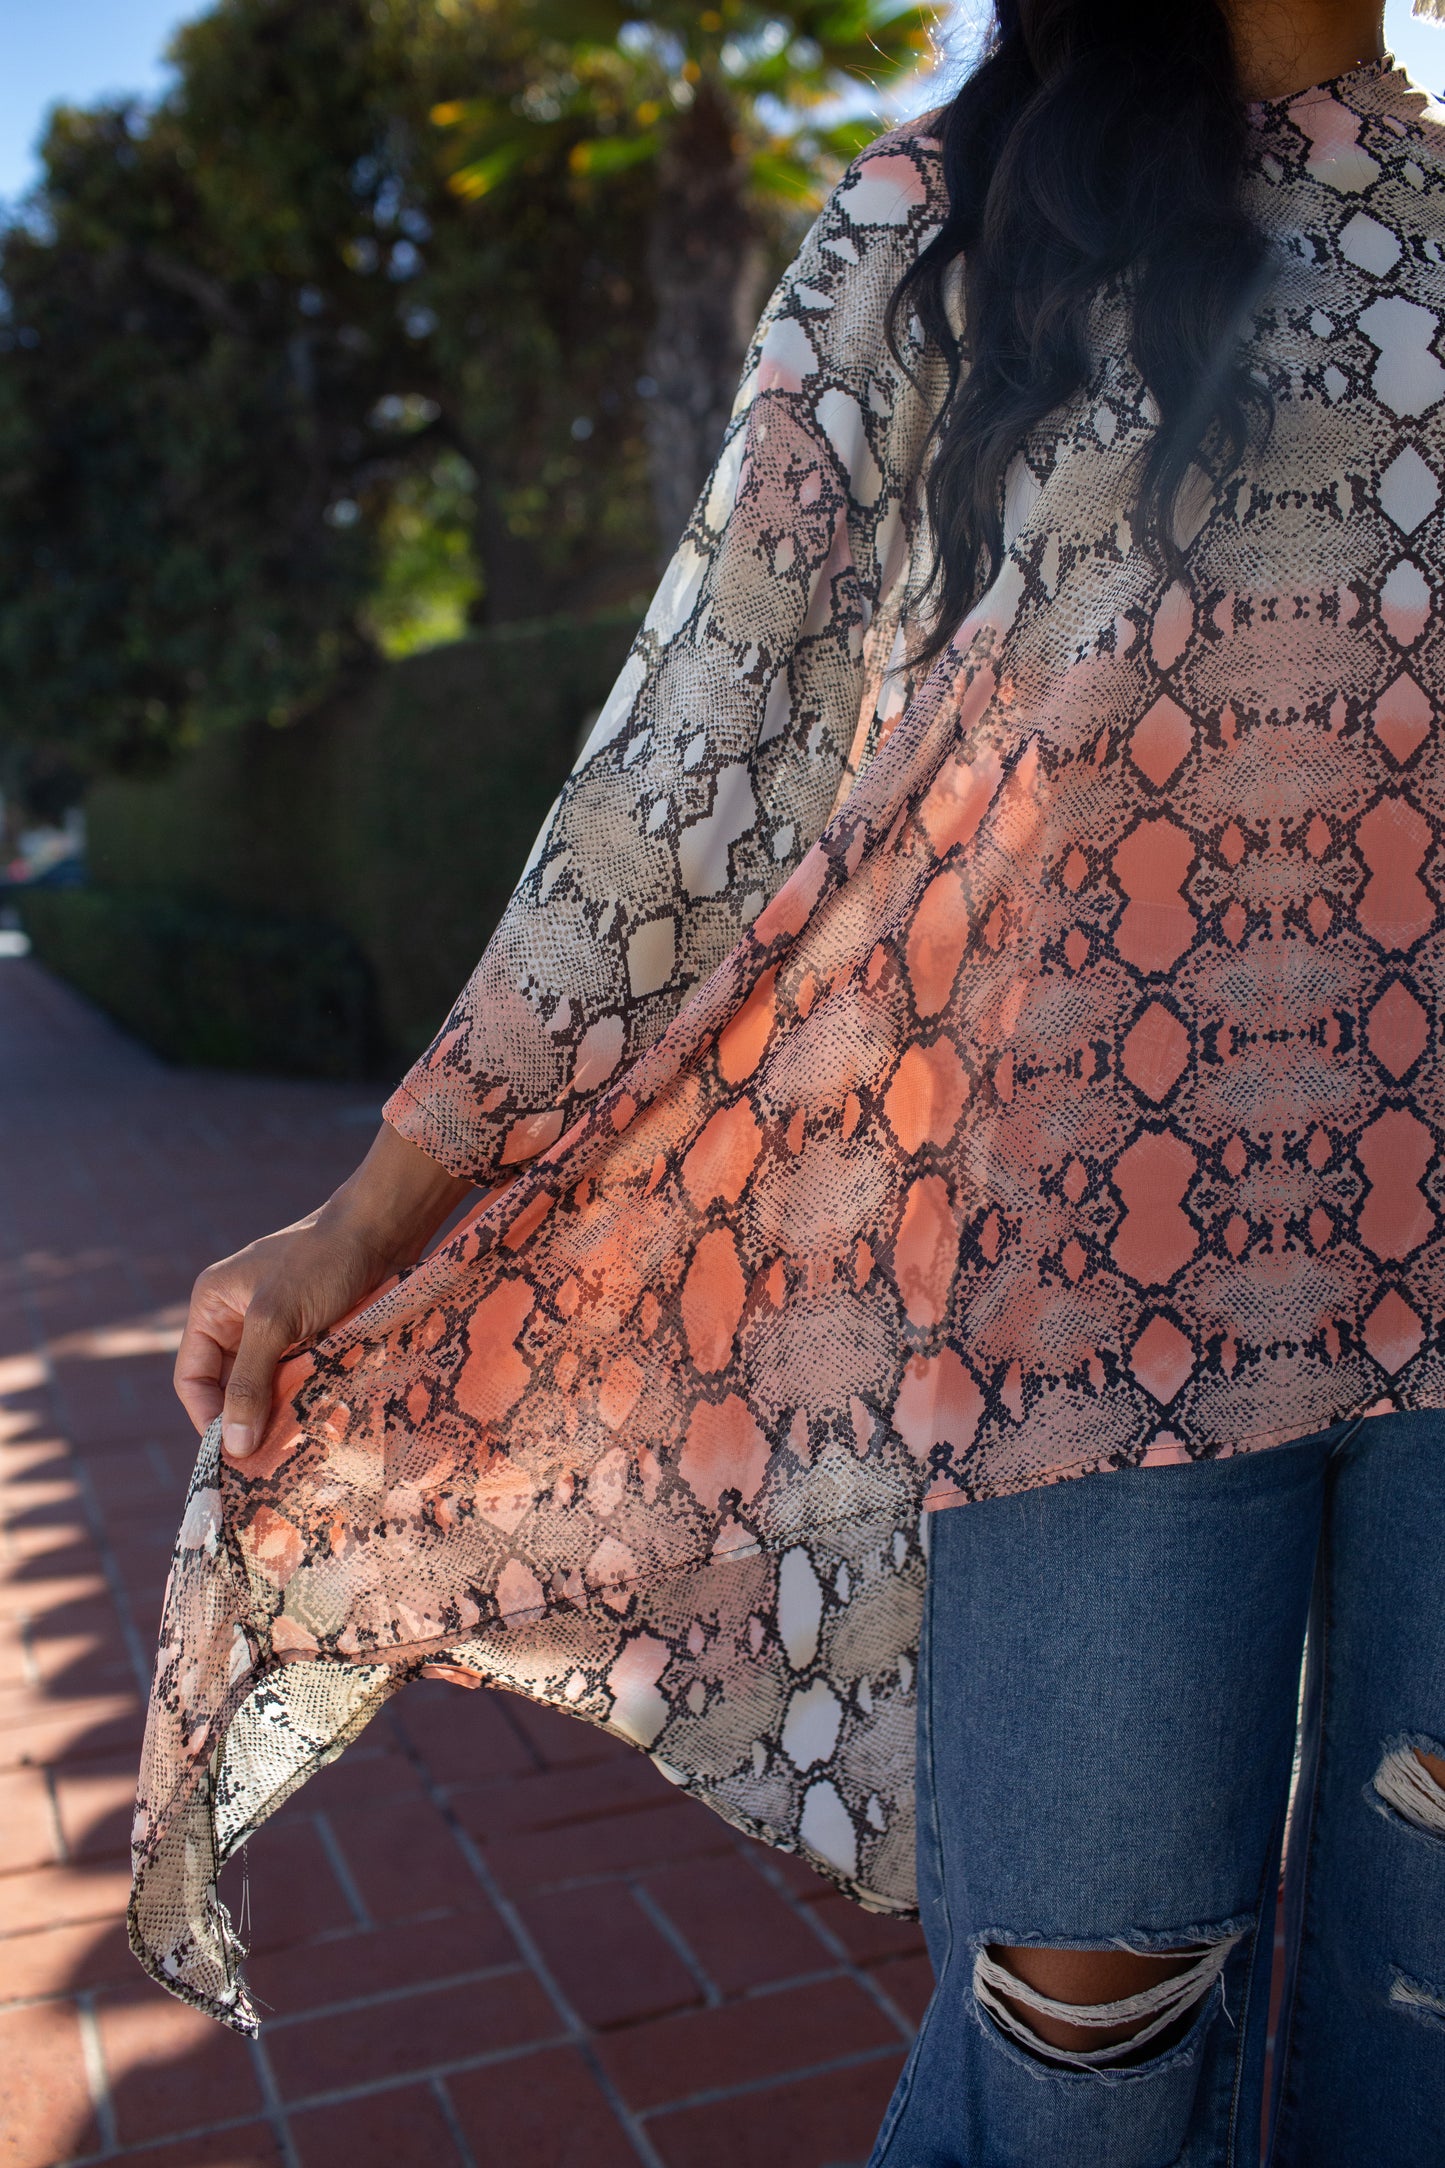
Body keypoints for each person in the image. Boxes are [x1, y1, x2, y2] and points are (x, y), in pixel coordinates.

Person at [131, 1, 1445, 2159]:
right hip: (1097, 1277)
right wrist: (377, 1208)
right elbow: (694, 765)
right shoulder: (941, 227)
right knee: (1080, 2037)